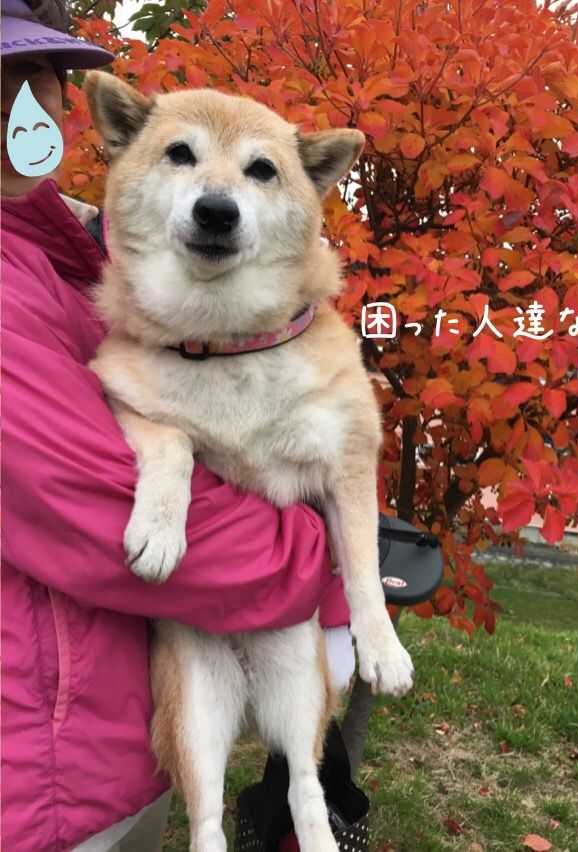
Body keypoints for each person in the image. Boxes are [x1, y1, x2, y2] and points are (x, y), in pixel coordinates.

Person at [0, 2, 355, 850]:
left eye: (32, 77)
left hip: (107, 742)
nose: (16, 107)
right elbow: (97, 512)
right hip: (35, 776)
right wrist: (324, 560)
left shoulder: (69, 250)